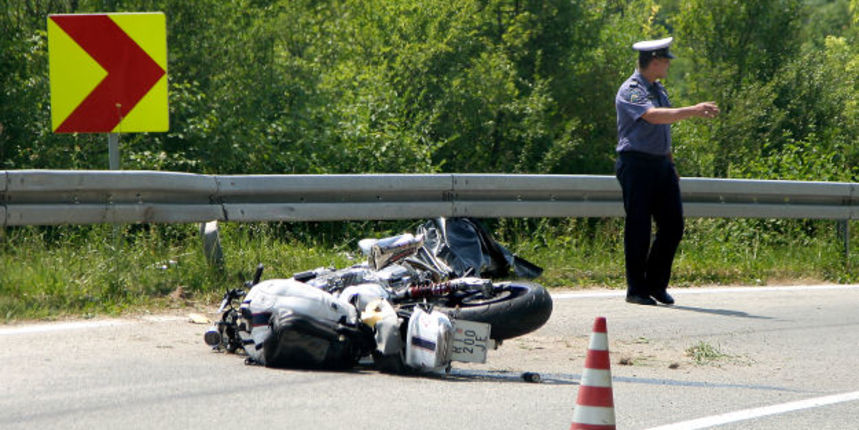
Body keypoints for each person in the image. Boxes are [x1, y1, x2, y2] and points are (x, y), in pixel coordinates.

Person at [614, 37, 719, 305]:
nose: (668, 66)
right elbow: (653, 116)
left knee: (673, 225)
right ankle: (636, 289)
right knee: (638, 227)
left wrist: (670, 163)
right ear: (655, 61)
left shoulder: (658, 88)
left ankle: (656, 284)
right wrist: (694, 110)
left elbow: (663, 128)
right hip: (636, 164)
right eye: (666, 61)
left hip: (661, 165)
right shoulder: (632, 89)